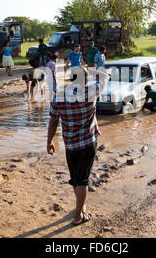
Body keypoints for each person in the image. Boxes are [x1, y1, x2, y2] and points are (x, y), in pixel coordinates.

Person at [47, 66, 110, 226]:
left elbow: (53, 122)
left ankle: (81, 207)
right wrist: (90, 69)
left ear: (70, 78)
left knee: (75, 178)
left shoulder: (59, 96)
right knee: (82, 180)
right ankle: (78, 215)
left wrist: (49, 141)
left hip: (70, 144)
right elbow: (106, 77)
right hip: (88, 142)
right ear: (85, 79)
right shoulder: (90, 91)